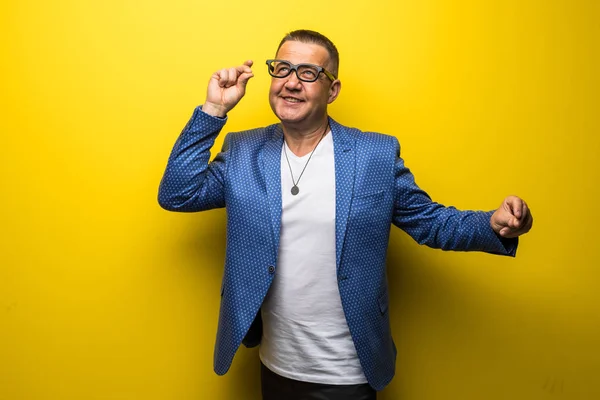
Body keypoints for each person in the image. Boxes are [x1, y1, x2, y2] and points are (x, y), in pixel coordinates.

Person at [158, 29, 533, 400]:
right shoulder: (244, 151)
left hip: (346, 373)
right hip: (274, 365)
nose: (291, 82)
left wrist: (492, 224)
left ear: (332, 90)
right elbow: (178, 193)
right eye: (282, 69)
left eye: (308, 73)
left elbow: (431, 221)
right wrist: (214, 109)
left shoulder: (374, 155)